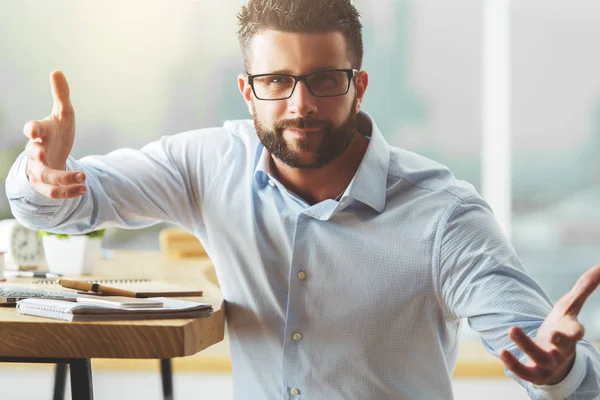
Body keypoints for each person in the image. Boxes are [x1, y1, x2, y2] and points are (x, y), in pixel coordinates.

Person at [5, 0, 600, 398]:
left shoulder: (445, 215)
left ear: (358, 85)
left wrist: (560, 371)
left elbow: (545, 354)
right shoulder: (210, 164)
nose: (300, 104)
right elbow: (67, 206)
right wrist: (41, 173)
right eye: (276, 82)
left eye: (324, 79)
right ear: (247, 90)